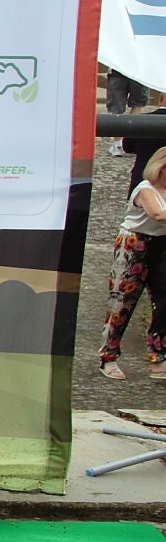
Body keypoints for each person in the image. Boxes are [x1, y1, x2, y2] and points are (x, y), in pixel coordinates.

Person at [98, 148, 166, 380]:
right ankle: (108, 357)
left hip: (163, 243)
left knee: (164, 299)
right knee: (123, 302)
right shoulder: (145, 189)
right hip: (135, 243)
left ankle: (158, 355)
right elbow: (158, 214)